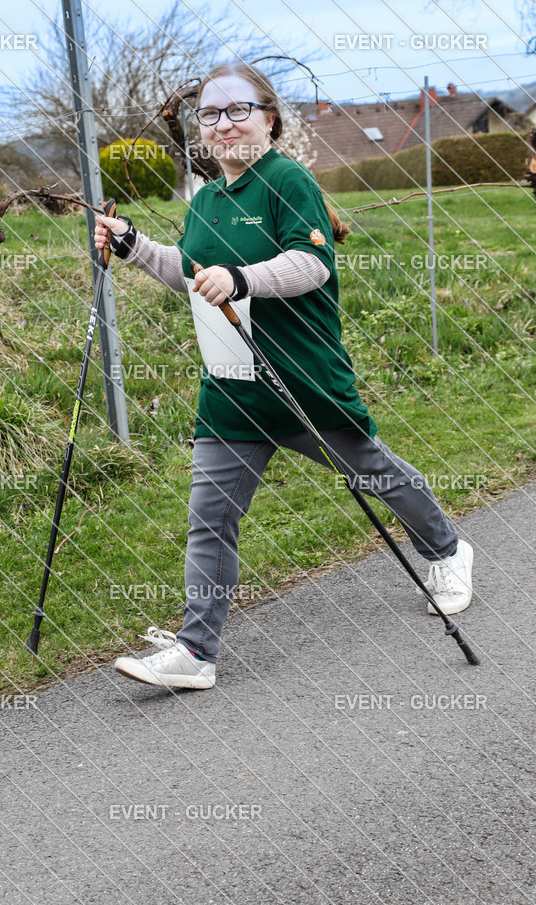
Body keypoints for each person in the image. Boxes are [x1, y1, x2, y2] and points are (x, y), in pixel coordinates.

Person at [94, 62, 473, 691]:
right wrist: (134, 243)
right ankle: (195, 651)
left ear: (269, 117)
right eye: (209, 114)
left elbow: (310, 264)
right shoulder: (208, 199)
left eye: (237, 109)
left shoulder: (286, 179)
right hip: (232, 388)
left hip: (302, 379)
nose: (222, 124)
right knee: (210, 516)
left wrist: (241, 278)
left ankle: (448, 551)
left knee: (376, 473)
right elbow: (190, 273)